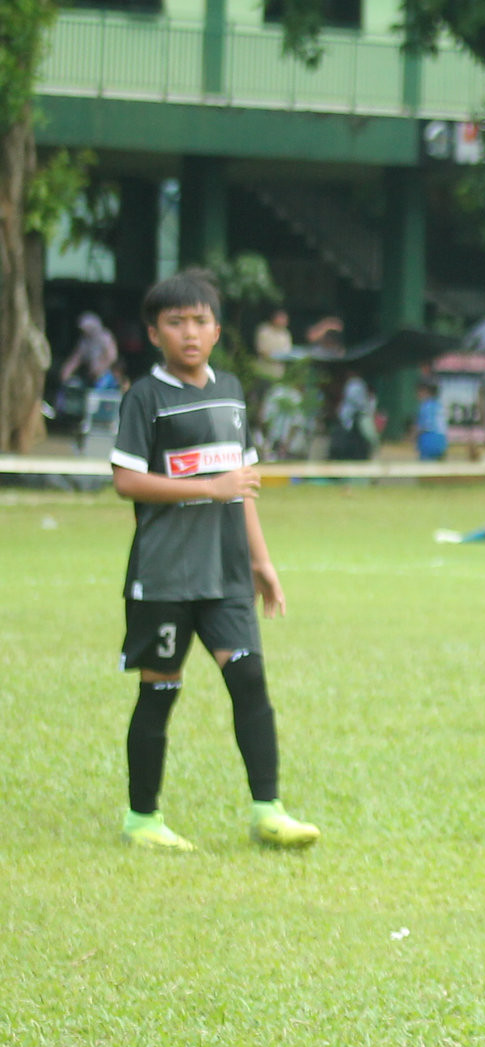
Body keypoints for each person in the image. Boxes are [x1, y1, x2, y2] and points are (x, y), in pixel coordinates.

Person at [109, 269, 319, 853]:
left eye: (200, 321)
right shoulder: (145, 397)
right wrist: (209, 486)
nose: (189, 333)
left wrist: (262, 562)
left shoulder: (229, 391)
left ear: (217, 330)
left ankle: (268, 812)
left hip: (226, 574)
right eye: (175, 323)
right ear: (155, 333)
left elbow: (240, 486)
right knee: (160, 692)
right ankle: (142, 819)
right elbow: (126, 480)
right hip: (165, 577)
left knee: (249, 680)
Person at [58, 312, 119, 388]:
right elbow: (76, 359)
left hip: (105, 376)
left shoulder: (105, 337)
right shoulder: (84, 341)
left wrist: (100, 367)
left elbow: (112, 356)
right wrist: (66, 372)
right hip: (90, 377)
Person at [253, 308, 293, 380]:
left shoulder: (286, 333)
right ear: (274, 319)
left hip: (279, 373)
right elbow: (262, 351)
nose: (284, 322)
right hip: (264, 371)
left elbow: (288, 352)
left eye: (285, 320)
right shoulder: (264, 331)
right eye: (281, 319)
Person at [414, 381, 448, 461]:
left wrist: (413, 438)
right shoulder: (440, 406)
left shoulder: (425, 406)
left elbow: (420, 427)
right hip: (442, 442)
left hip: (428, 440)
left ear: (425, 391)